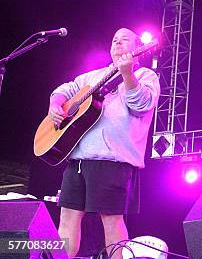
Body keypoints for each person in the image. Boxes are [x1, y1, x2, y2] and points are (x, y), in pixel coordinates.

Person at [47, 28, 160, 258]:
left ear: (138, 47)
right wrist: (56, 104)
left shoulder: (146, 75)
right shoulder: (93, 76)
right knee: (67, 219)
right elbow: (64, 89)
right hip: (78, 159)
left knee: (111, 221)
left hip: (112, 160)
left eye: (124, 39)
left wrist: (128, 74)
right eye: (114, 39)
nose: (117, 42)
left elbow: (141, 105)